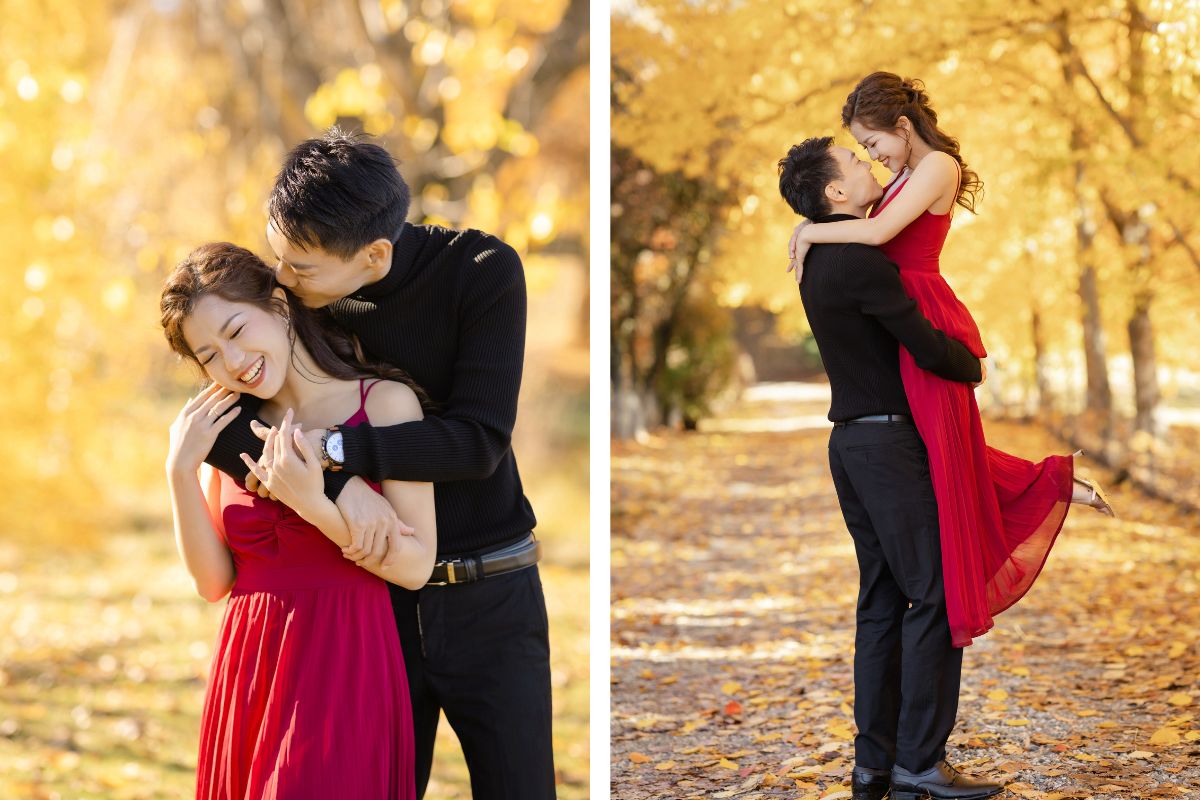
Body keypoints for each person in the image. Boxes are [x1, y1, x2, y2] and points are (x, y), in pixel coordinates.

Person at [199, 129, 555, 799]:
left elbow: (477, 442)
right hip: (373, 601)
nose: (283, 280)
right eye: (280, 258)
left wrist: (337, 460)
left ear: (374, 255)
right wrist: (343, 487)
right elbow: (227, 417)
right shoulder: (301, 296)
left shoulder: (481, 272)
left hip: (490, 596)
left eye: (300, 267)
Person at [787, 73, 1114, 654]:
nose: (875, 157)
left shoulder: (936, 165)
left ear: (903, 127)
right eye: (863, 152)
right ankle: (1060, 485)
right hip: (898, 309)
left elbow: (882, 231)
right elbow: (867, 228)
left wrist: (810, 229)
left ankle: (1057, 487)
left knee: (948, 449)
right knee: (946, 451)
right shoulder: (908, 173)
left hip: (923, 311)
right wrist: (814, 226)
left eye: (875, 144)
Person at [162, 242, 437, 798]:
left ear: (280, 307)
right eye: (209, 355)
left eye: (236, 331)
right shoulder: (230, 430)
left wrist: (314, 504)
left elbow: (415, 567)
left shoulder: (384, 405)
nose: (232, 362)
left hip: (344, 664)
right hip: (249, 669)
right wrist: (179, 470)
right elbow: (215, 582)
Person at [778, 136, 1001, 800]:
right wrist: (972, 364)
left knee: (880, 601)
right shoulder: (860, 262)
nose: (869, 165)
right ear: (836, 195)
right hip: (887, 447)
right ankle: (919, 761)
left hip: (850, 446)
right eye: (854, 163)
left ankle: (874, 763)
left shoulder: (819, 258)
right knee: (932, 594)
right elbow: (927, 348)